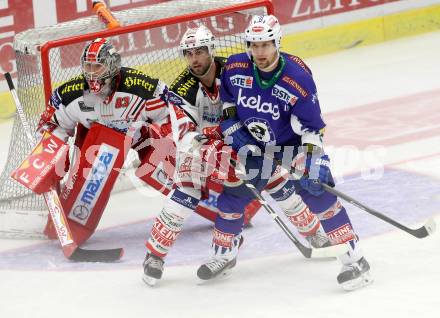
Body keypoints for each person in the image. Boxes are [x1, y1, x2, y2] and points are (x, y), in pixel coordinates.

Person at [141, 25, 331, 286]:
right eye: (188, 54)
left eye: (199, 52)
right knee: (185, 193)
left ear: (211, 50)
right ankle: (155, 256)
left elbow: (259, 106)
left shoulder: (235, 71)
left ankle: (313, 233)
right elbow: (184, 133)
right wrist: (210, 146)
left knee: (275, 180)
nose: (194, 59)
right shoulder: (182, 88)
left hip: (245, 138)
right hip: (203, 148)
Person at [196, 15, 373, 291]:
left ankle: (355, 261)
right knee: (233, 197)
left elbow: (313, 127)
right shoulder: (235, 67)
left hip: (290, 144)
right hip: (253, 146)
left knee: (319, 194)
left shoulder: (297, 77)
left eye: (265, 45)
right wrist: (232, 128)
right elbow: (228, 101)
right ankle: (224, 255)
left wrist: (313, 160)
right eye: (254, 45)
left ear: (277, 42)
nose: (259, 52)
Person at [25, 37, 194, 246]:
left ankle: (204, 194)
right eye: (88, 66)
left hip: (137, 135)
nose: (92, 72)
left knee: (159, 170)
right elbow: (52, 126)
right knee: (84, 182)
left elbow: (171, 114)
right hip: (93, 141)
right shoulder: (70, 95)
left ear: (112, 66)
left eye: (98, 66)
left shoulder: (140, 87)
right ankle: (67, 223)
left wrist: (176, 142)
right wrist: (53, 157)